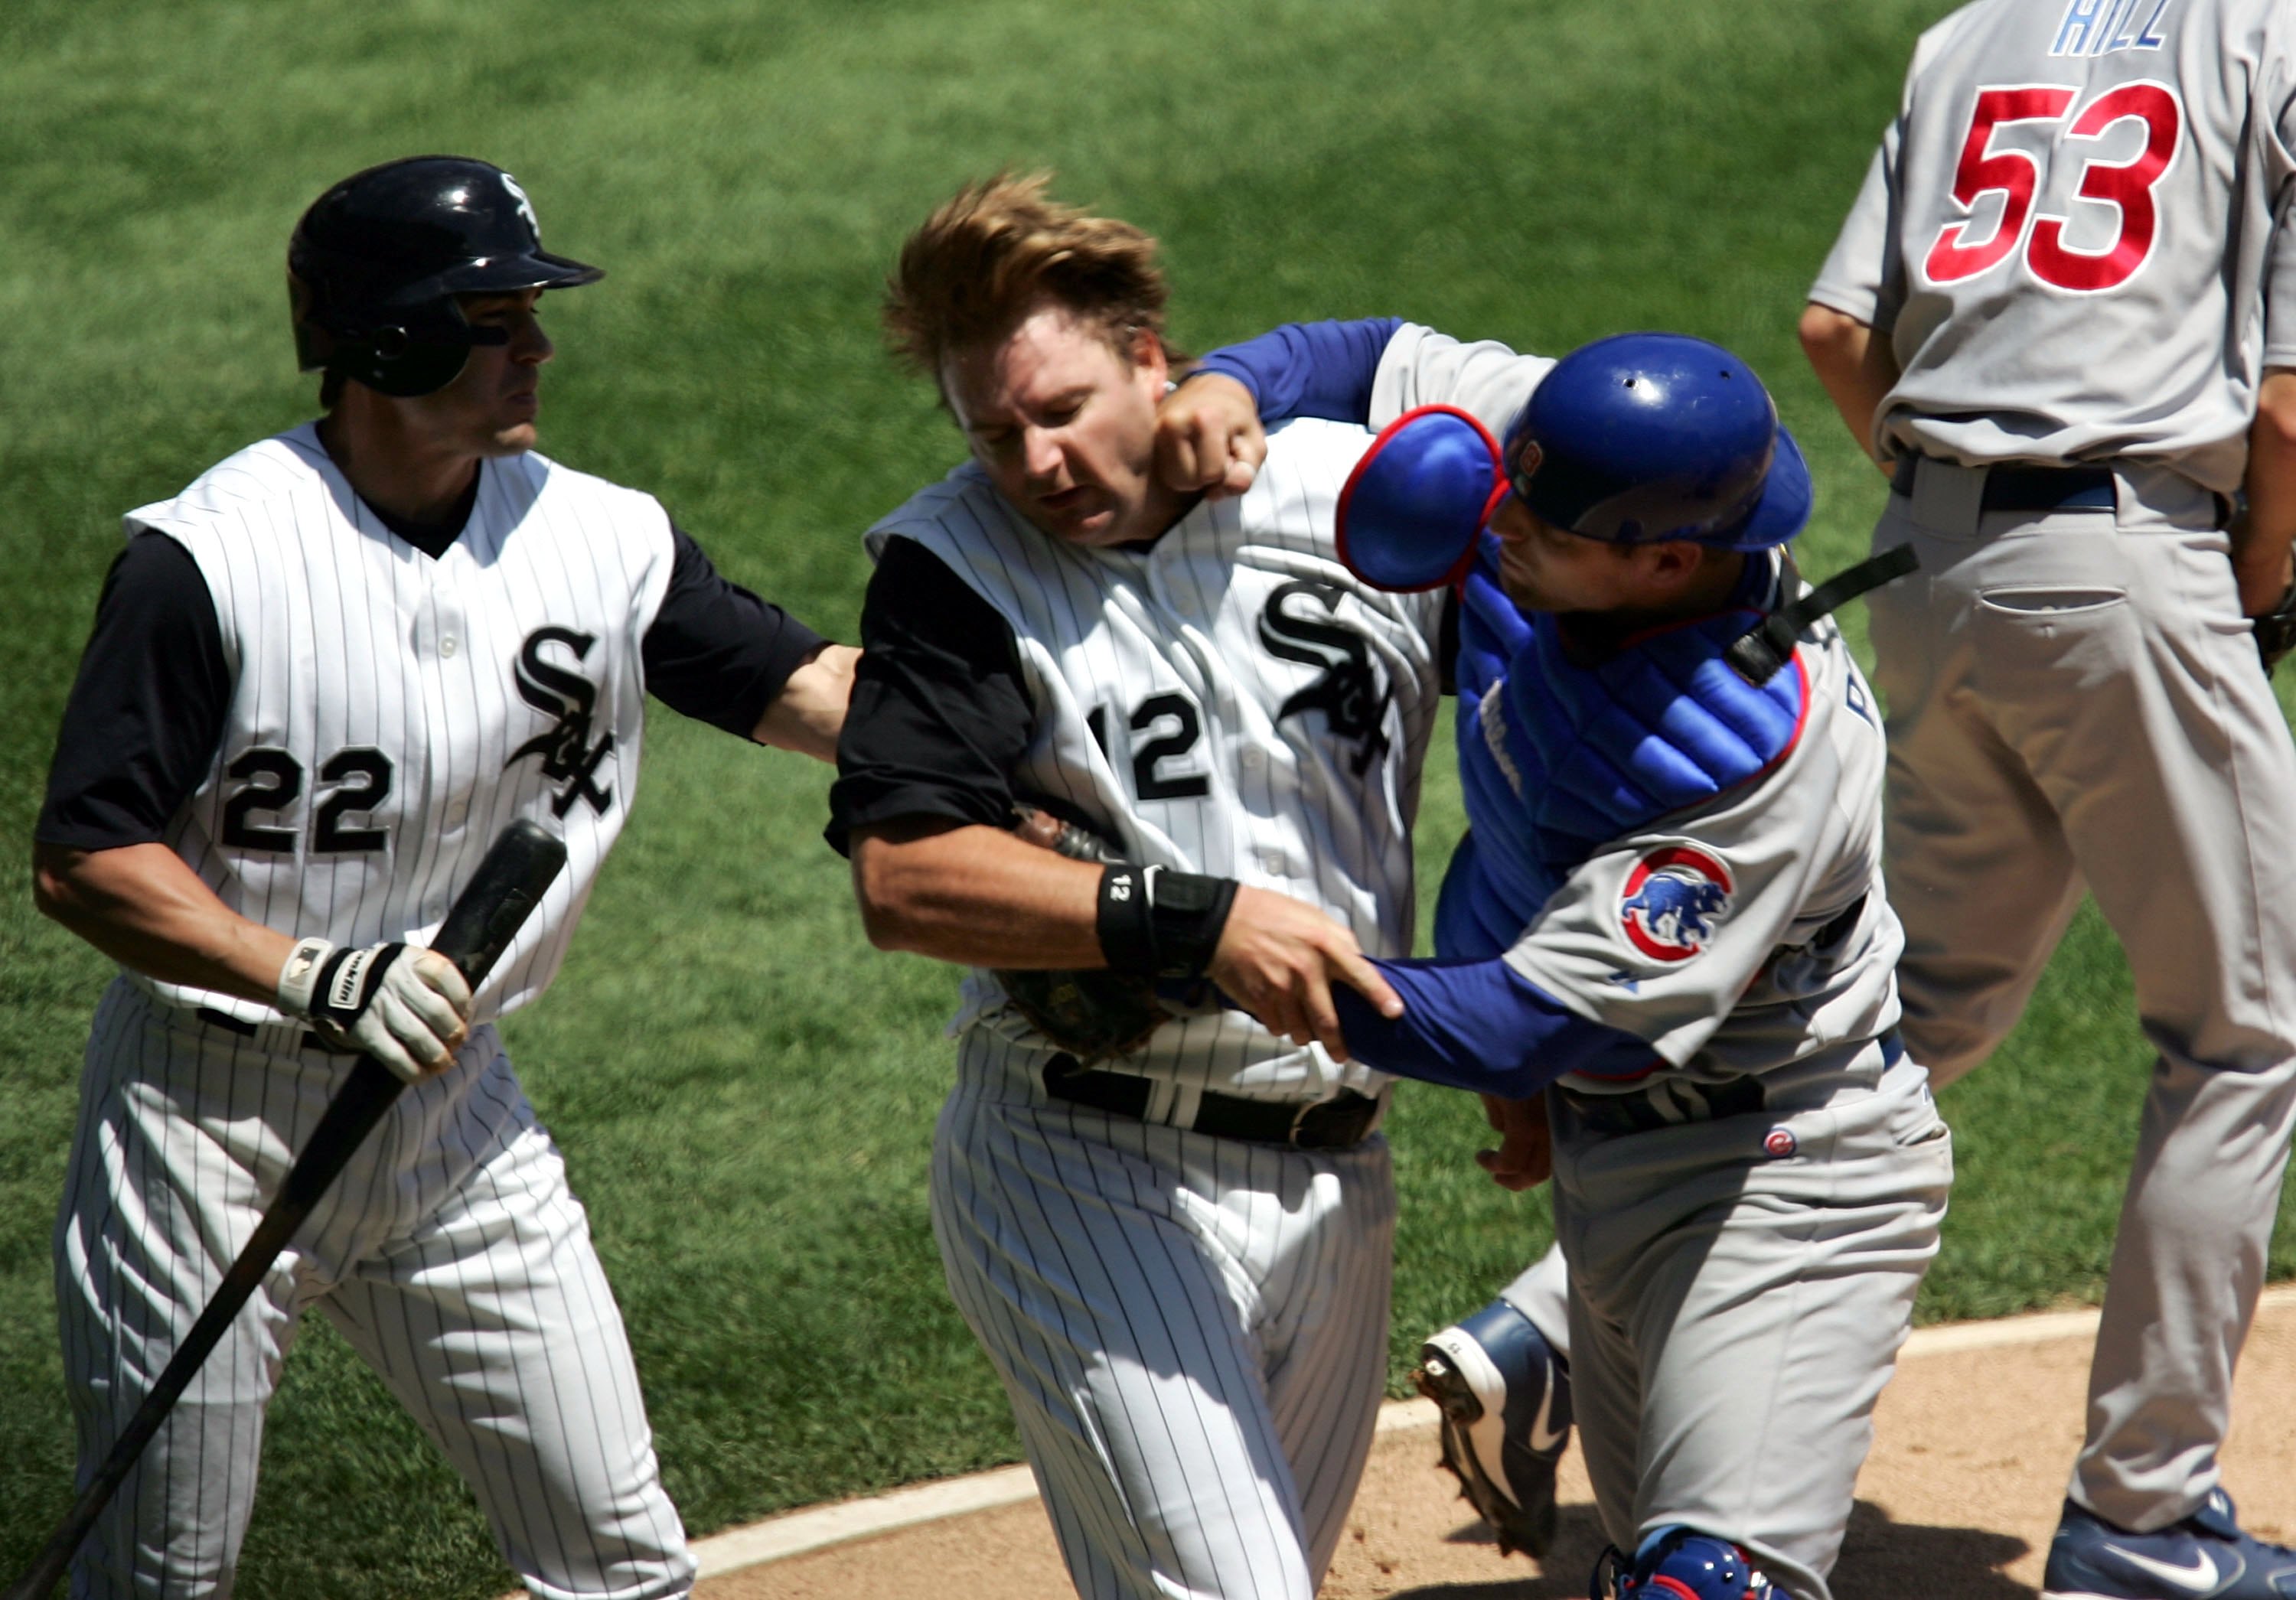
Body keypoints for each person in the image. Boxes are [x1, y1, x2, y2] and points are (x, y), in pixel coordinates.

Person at [30, 155, 855, 1598]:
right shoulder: (207, 562)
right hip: (205, 1123)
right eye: (498, 314)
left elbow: (812, 695)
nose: (537, 344)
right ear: (390, 339)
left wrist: (1024, 723)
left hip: (458, 1122)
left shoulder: (600, 538)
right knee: (159, 1581)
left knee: (623, 1560)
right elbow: (86, 859)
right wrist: (314, 973)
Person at [1156, 324, 1953, 1600]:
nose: (1502, 522)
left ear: (1669, 560)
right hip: (1611, 1165)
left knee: (1709, 1583)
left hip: (1784, 1177)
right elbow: (1367, 355)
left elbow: (1521, 1027)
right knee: (1643, 1562)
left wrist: (1210, 955)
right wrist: (1229, 384)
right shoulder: (1607, 458)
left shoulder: (1738, 767)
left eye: (1545, 523)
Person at [829, 174, 1449, 1600]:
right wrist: (1195, 917)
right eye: (996, 432)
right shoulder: (954, 571)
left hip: (1339, 1167)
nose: (1036, 460)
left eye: (1063, 411)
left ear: (1155, 363)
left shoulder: (1348, 501)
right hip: (1084, 1168)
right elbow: (902, 877)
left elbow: (1538, 699)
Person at [1798, 1, 2296, 1592]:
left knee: (1917, 1003)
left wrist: (1966, 517)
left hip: (1925, 571)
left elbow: (1830, 333)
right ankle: (2142, 1516)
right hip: (2127, 566)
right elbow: (2285, 407)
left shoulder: (1970, 32)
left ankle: (1545, 1327)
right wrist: (2257, 581)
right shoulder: (2270, 37)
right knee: (2240, 1033)